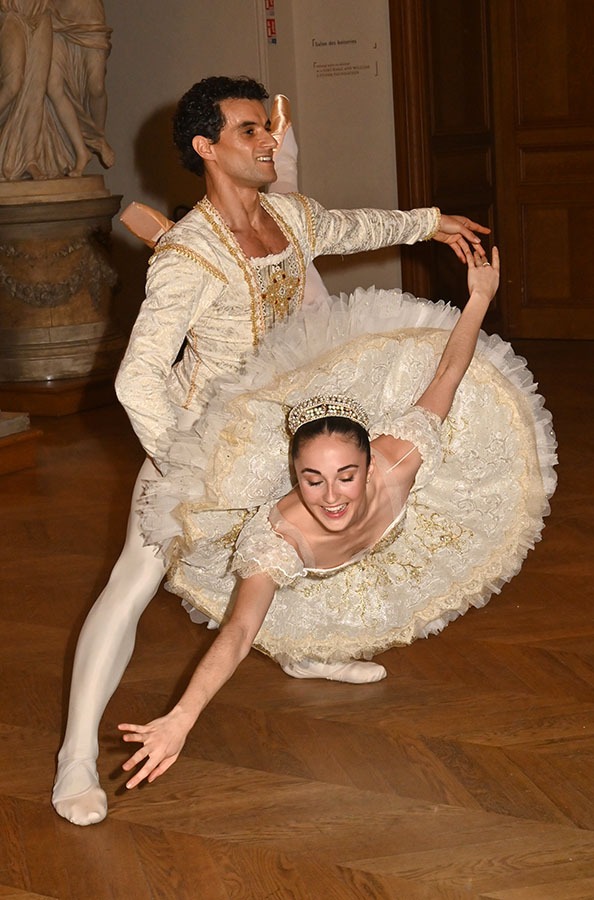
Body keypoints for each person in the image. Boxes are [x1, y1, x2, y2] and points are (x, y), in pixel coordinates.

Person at [52, 74, 490, 826]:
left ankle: (301, 648)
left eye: (267, 128)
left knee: (309, 532)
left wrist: (431, 220)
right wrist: (183, 464)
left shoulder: (286, 214)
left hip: (277, 430)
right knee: (134, 579)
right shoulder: (190, 255)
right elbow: (136, 378)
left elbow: (352, 227)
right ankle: (74, 760)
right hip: (193, 443)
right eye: (250, 131)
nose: (269, 141)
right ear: (206, 148)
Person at [117, 244, 557, 789]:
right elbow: (238, 631)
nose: (330, 498)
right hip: (303, 559)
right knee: (279, 614)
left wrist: (480, 297)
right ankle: (301, 654)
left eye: (346, 475)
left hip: (382, 531)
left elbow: (450, 368)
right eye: (312, 479)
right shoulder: (275, 541)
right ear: (293, 475)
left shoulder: (403, 457)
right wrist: (181, 718)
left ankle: (312, 656)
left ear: (371, 460)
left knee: (357, 603)